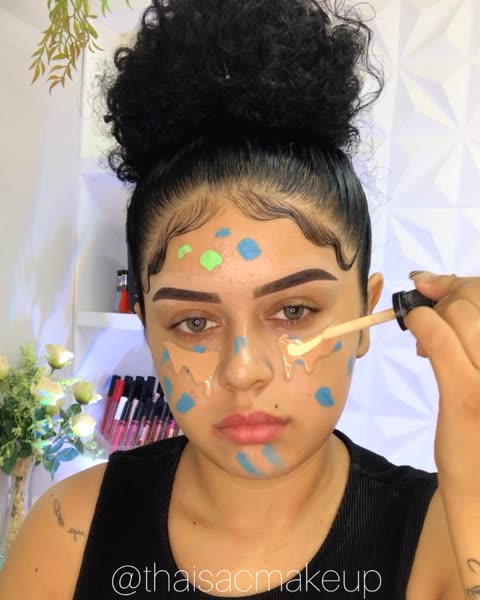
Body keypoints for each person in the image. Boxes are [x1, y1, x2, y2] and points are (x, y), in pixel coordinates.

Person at [1, 0, 479, 598]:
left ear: (365, 314)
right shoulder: (66, 533)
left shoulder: (448, 535)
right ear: (147, 326)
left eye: (294, 311)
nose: (242, 370)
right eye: (193, 321)